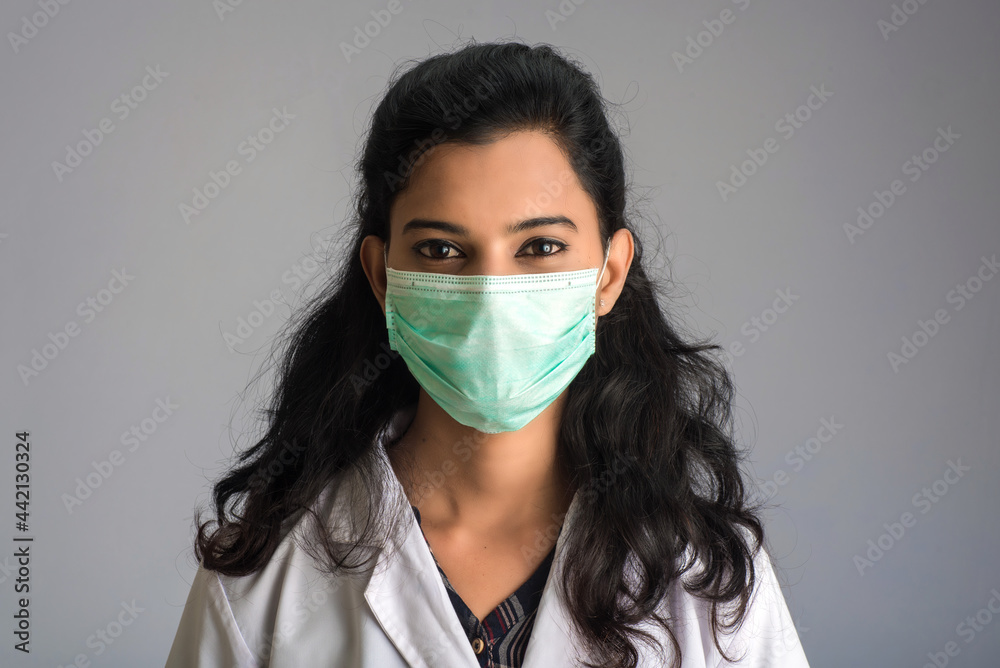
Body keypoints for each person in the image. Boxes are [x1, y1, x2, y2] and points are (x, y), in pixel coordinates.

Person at [165, 40, 810, 668]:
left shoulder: (708, 581)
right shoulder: (262, 580)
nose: (490, 298)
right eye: (442, 250)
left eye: (540, 247)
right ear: (383, 275)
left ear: (609, 274)